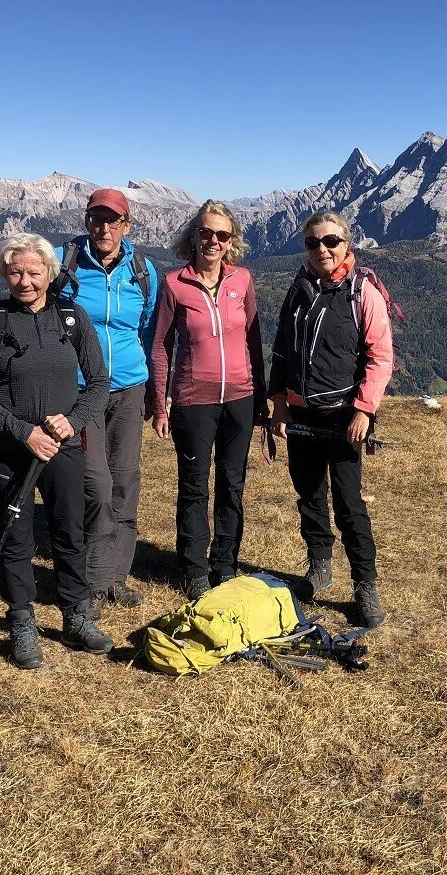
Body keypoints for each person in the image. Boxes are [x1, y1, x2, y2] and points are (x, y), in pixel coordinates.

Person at [0, 233, 113, 668]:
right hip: (8, 448)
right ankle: (22, 620)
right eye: (15, 272)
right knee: (15, 536)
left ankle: (76, 614)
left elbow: (99, 383)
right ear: (3, 274)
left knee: (69, 529)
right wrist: (23, 431)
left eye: (33, 272)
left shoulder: (71, 317)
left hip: (62, 446)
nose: (24, 281)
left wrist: (74, 420)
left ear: (50, 273)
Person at [269, 211, 393, 628]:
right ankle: (320, 564)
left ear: (346, 244)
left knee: (349, 501)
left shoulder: (363, 293)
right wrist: (280, 403)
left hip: (344, 417)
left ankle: (365, 583)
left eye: (331, 241)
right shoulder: (298, 289)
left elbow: (380, 358)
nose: (322, 249)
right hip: (302, 411)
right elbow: (283, 351)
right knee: (308, 494)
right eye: (312, 242)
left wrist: (364, 409)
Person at [149, 200, 265, 598]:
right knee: (194, 485)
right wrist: (159, 402)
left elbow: (254, 339)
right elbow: (161, 347)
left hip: (240, 398)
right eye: (205, 232)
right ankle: (195, 567)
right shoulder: (174, 284)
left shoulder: (243, 280)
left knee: (232, 485)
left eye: (221, 235)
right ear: (193, 236)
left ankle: (226, 564)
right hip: (192, 400)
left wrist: (261, 399)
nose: (212, 241)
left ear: (231, 241)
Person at [60, 189, 158, 617]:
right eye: (96, 219)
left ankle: (117, 575)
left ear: (126, 225)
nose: (104, 228)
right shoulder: (65, 266)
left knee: (126, 479)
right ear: (87, 222)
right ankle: (96, 580)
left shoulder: (142, 271)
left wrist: (156, 387)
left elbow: (149, 326)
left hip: (130, 387)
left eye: (113, 220)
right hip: (83, 391)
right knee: (96, 483)